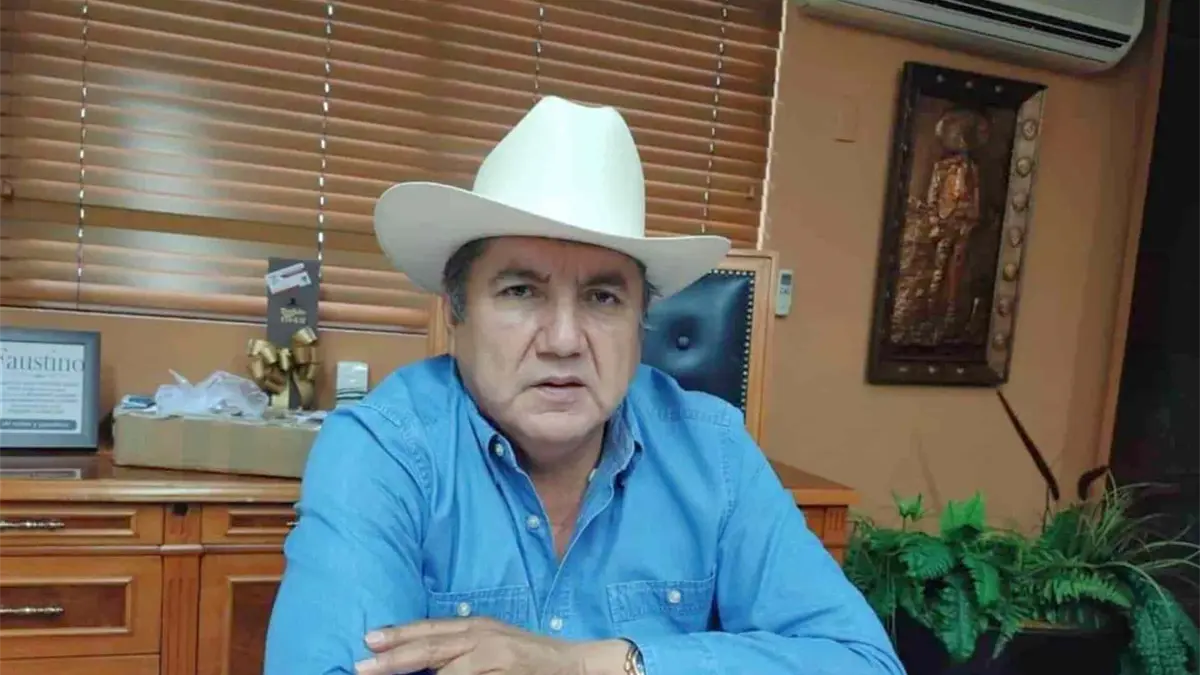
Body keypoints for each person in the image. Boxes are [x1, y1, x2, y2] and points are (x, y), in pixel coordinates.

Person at [264, 95, 905, 675]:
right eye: (521, 291)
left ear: (640, 325)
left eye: (603, 297)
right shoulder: (382, 450)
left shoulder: (714, 452)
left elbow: (862, 662)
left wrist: (595, 664)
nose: (565, 340)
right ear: (455, 316)